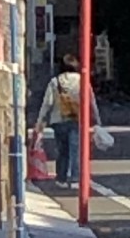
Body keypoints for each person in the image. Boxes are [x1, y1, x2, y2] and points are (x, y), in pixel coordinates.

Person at [34, 54, 101, 188]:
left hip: (58, 120)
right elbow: (91, 101)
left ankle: (61, 178)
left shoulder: (55, 82)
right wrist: (97, 120)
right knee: (76, 150)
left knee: (62, 150)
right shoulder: (82, 80)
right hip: (77, 119)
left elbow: (47, 103)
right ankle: (76, 178)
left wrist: (40, 121)